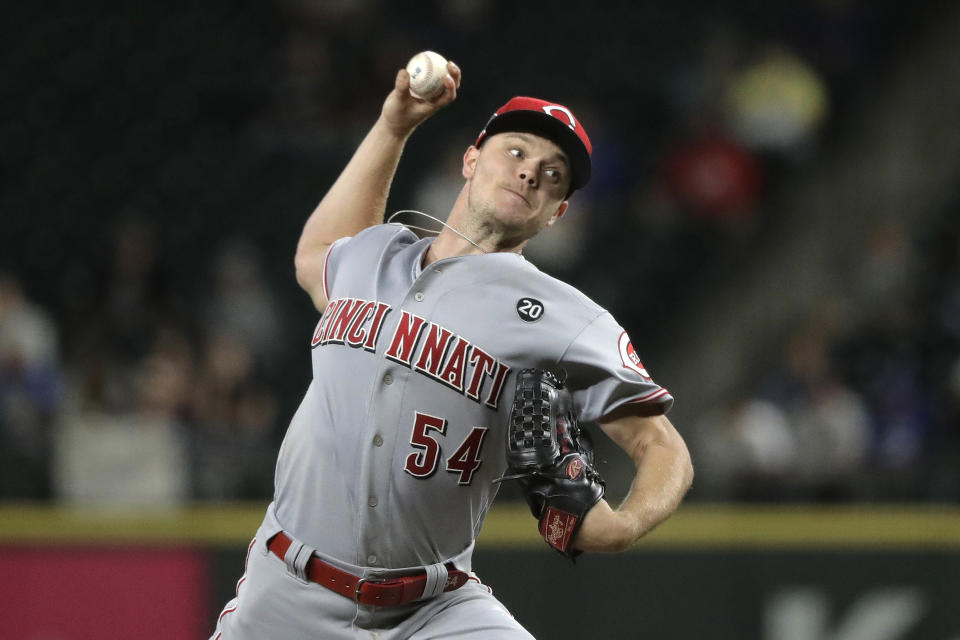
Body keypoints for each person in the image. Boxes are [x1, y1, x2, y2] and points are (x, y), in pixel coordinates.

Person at [211, 57, 694, 640]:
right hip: (285, 596)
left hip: (433, 613)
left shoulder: (563, 317)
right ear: (470, 160)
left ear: (558, 212)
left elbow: (661, 444)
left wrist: (623, 526)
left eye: (554, 173)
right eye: (515, 152)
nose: (530, 173)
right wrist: (394, 125)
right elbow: (316, 254)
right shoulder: (375, 255)